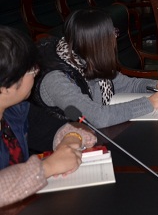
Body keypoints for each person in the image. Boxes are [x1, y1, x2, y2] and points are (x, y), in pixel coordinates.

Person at [27, 9, 158, 153]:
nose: (115, 38)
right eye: (112, 33)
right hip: (60, 153)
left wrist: (154, 85)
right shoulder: (56, 79)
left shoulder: (86, 58)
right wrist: (149, 103)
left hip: (96, 139)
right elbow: (96, 117)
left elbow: (126, 84)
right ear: (97, 42)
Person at [0, 25, 97, 208]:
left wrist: (70, 140)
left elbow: (62, 129)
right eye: (31, 69)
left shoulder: (15, 111)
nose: (36, 73)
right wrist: (47, 167)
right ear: (5, 87)